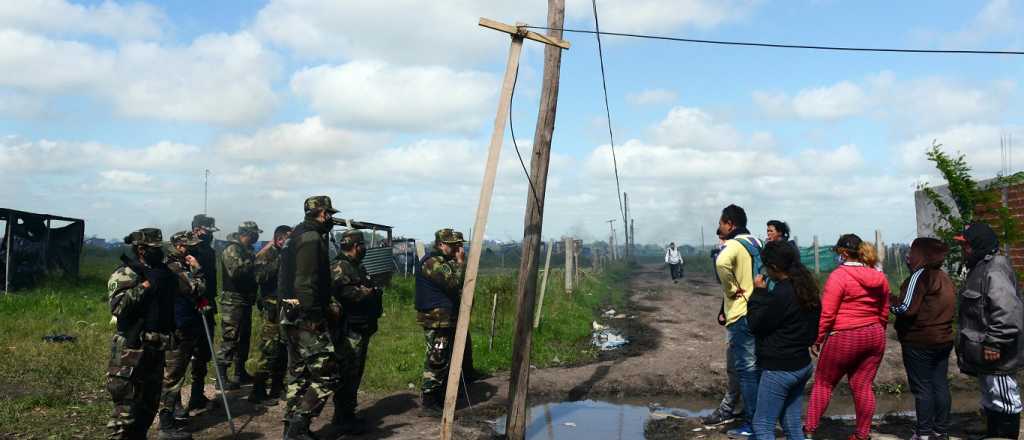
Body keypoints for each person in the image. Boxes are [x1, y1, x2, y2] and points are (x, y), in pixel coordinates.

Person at [803, 234, 890, 440]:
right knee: (863, 385)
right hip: (874, 333)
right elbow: (884, 310)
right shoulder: (879, 277)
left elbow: (828, 313)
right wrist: (878, 330)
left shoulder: (839, 276)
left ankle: (808, 431)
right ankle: (862, 435)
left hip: (844, 336)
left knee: (824, 383)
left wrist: (819, 338)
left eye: (837, 253)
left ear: (843, 253)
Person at [105, 228, 179, 439]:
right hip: (131, 350)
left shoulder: (161, 271)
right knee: (125, 411)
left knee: (148, 406)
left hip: (155, 348)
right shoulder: (126, 273)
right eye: (153, 249)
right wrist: (146, 285)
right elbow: (118, 308)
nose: (158, 252)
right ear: (140, 249)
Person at [278, 196, 341, 439]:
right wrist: (316, 315)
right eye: (330, 215)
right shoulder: (311, 238)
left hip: (290, 313)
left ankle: (290, 429)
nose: (332, 220)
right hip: (306, 316)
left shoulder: (296, 234)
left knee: (299, 373)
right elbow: (305, 282)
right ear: (322, 213)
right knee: (328, 374)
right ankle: (298, 425)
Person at [955, 223, 1024, 439]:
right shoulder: (980, 267)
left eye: (966, 245)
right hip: (983, 349)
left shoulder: (995, 269)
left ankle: (1006, 435)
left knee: (1004, 398)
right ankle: (994, 432)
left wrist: (995, 342)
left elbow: (1008, 313)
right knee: (991, 395)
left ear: (978, 245)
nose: (963, 250)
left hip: (997, 352)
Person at [747, 241, 821, 440]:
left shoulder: (780, 294)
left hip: (779, 368)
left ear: (775, 268)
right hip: (801, 365)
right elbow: (813, 329)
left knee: (762, 425)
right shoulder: (807, 289)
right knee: (792, 423)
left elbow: (755, 324)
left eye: (766, 267)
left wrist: (759, 293)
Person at [890, 237, 955, 440]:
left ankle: (924, 433)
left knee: (922, 388)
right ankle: (941, 430)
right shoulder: (944, 277)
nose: (908, 256)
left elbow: (905, 308)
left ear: (921, 255)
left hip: (920, 341)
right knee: (940, 384)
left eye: (912, 252)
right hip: (943, 339)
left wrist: (887, 301)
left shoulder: (920, 276)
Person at [714, 204, 764, 437]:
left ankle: (752, 423)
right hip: (761, 310)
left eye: (722, 223)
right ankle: (759, 416)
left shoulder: (733, 245)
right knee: (758, 367)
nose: (720, 227)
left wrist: (732, 288)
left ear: (730, 224)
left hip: (741, 312)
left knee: (746, 371)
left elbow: (721, 264)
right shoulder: (758, 243)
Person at [330, 229, 383, 433]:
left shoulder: (356, 266)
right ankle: (343, 418)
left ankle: (347, 414)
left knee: (355, 372)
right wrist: (368, 292)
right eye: (362, 245)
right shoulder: (340, 266)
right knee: (348, 373)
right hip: (349, 329)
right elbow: (346, 293)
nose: (364, 249)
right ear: (355, 246)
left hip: (361, 327)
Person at [157, 232, 209, 439]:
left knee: (176, 374)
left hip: (185, 324)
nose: (193, 249)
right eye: (189, 246)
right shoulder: (173, 267)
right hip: (177, 327)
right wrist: (197, 270)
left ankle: (175, 412)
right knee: (172, 377)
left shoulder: (179, 264)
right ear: (178, 246)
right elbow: (197, 288)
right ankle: (166, 425)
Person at [415, 228, 467, 416]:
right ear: (441, 244)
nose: (457, 249)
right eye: (453, 246)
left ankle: (438, 393)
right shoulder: (432, 263)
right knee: (437, 358)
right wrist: (460, 263)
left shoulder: (444, 262)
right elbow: (452, 283)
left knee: (443, 356)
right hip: (436, 320)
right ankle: (429, 400)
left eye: (458, 246)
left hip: (444, 319)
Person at [247, 225, 292, 404]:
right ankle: (257, 391)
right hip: (271, 309)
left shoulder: (288, 255)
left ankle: (277, 386)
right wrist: (279, 261)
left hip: (285, 307)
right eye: (287, 239)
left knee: (282, 349)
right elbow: (259, 277)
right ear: (279, 239)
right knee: (268, 350)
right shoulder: (266, 255)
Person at [217, 221, 261, 390]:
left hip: (245, 300)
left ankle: (240, 372)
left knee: (244, 338)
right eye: (254, 234)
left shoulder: (246, 250)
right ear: (247, 234)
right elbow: (235, 272)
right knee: (230, 338)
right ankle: (222, 376)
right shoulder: (232, 249)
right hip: (232, 301)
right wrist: (254, 260)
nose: (257, 237)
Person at [187, 214, 219, 410]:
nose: (208, 235)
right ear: (197, 229)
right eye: (206, 230)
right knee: (184, 355)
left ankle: (197, 395)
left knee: (203, 353)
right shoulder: (189, 249)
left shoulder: (209, 250)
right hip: (191, 306)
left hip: (208, 304)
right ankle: (173, 406)